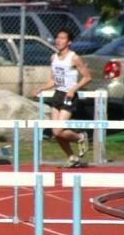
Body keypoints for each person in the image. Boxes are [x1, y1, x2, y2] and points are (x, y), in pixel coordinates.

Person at [33, 28, 92, 167]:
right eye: (57, 38)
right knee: (56, 133)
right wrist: (41, 88)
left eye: (63, 38)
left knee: (58, 130)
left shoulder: (74, 58)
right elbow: (53, 80)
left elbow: (87, 77)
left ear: (69, 42)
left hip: (69, 96)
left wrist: (73, 89)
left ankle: (80, 137)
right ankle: (72, 157)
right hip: (57, 94)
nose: (58, 41)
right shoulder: (53, 57)